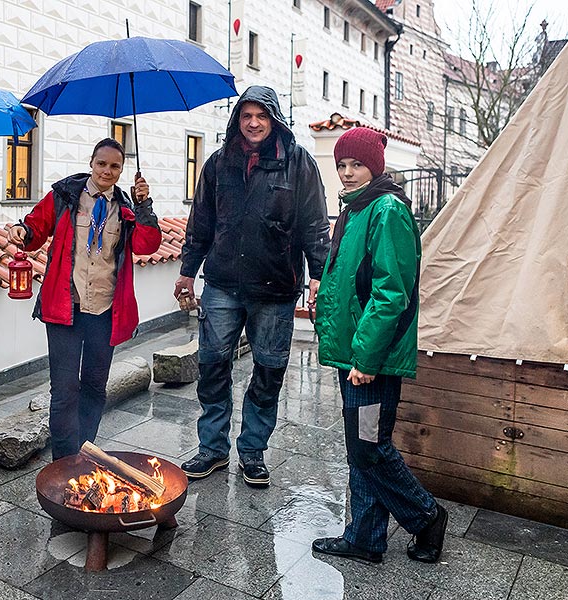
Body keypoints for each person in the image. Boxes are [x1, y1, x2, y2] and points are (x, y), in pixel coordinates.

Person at [175, 86, 330, 488]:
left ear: (275, 118)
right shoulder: (217, 164)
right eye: (247, 116)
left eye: (262, 115)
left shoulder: (298, 164)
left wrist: (318, 274)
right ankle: (212, 449)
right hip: (222, 284)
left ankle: (252, 451)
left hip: (276, 289)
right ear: (237, 120)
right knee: (212, 366)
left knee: (268, 371)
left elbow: (315, 223)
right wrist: (187, 271)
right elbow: (201, 223)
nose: (254, 123)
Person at [311, 127, 447, 563]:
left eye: (356, 165)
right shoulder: (358, 208)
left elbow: (392, 292)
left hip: (372, 361)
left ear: (375, 166)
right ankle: (366, 537)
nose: (348, 173)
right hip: (354, 354)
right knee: (360, 446)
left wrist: (367, 358)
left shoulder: (386, 210)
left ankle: (426, 517)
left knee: (369, 446)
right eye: (342, 166)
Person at [7, 138, 161, 460]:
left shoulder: (128, 209)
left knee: (93, 388)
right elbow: (37, 227)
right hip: (66, 308)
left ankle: (84, 452)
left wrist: (145, 205)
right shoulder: (64, 196)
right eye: (102, 163)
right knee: (63, 392)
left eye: (115, 166)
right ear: (92, 163)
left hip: (105, 311)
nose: (107, 170)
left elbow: (148, 246)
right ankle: (64, 464)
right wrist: (23, 231)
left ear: (121, 170)